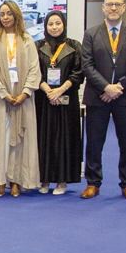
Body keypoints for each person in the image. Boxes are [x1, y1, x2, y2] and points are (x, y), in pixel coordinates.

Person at [80, 0, 126, 201]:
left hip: (125, 97)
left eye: (118, 4)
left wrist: (118, 87)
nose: (114, 8)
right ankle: (93, 183)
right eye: (110, 4)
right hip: (97, 97)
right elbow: (87, 65)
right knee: (94, 142)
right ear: (103, 7)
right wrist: (105, 88)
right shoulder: (91, 33)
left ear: (124, 7)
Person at [0, 1, 41, 197]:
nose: (5, 17)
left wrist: (24, 93)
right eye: (2, 14)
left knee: (20, 139)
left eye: (9, 14)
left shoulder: (27, 39)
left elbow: (34, 69)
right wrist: (4, 93)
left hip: (22, 96)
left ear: (16, 15)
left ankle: (15, 180)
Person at [34, 11, 83, 196]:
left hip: (66, 100)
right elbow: (33, 71)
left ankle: (62, 181)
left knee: (65, 140)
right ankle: (45, 179)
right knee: (44, 139)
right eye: (50, 24)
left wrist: (60, 90)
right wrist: (48, 90)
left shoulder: (74, 46)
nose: (54, 27)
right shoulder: (38, 46)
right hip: (44, 100)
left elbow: (79, 72)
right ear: (45, 26)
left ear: (63, 25)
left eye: (58, 23)